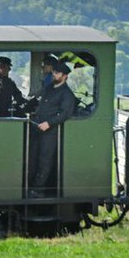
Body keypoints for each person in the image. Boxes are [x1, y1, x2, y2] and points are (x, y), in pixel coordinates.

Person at [28, 59, 77, 198]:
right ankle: (31, 184)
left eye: (57, 73)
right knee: (33, 157)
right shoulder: (49, 88)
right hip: (37, 127)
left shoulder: (67, 94)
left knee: (45, 159)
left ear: (65, 76)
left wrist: (49, 123)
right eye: (54, 72)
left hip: (50, 131)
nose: (54, 74)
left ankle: (38, 190)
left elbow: (65, 113)